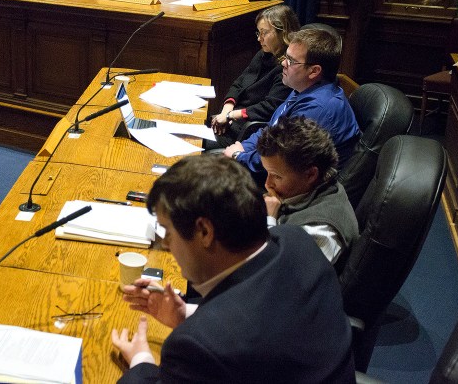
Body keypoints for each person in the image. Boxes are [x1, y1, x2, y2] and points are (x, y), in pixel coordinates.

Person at [111, 155, 355, 383]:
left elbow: (233, 338)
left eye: (168, 232)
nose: (165, 243)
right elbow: (270, 323)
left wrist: (141, 360)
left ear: (204, 232)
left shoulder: (198, 347)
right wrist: (187, 314)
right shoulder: (296, 241)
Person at [223, 28, 360, 176]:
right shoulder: (302, 89)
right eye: (285, 57)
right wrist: (244, 147)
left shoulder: (318, 109)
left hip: (290, 186)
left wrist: (239, 156)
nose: (283, 64)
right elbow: (271, 129)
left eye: (291, 61)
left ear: (314, 71)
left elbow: (280, 159)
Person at [258, 116, 358, 264]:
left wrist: (270, 219)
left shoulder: (321, 230)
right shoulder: (305, 191)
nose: (268, 184)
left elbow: (279, 276)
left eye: (276, 176)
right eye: (267, 173)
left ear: (311, 174)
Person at [206, 4, 299, 149]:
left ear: (282, 33)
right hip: (232, 118)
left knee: (197, 141)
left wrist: (231, 115)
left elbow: (269, 107)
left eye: (264, 33)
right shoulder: (263, 54)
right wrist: (226, 111)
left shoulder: (287, 68)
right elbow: (239, 83)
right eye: (258, 33)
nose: (259, 39)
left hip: (249, 130)